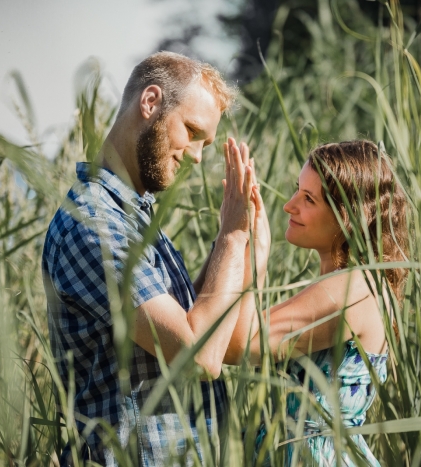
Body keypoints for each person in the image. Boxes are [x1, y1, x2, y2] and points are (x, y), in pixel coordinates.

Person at [42, 51, 260, 466]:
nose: (197, 156)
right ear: (150, 102)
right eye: (192, 131)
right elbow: (198, 356)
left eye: (206, 144)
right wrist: (231, 238)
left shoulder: (135, 217)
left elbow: (193, 325)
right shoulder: (94, 223)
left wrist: (243, 246)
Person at [225, 140, 408, 466]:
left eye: (308, 199)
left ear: (347, 215)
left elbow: (240, 345)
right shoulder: (352, 284)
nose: (289, 205)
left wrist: (254, 251)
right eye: (298, 190)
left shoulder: (352, 290)